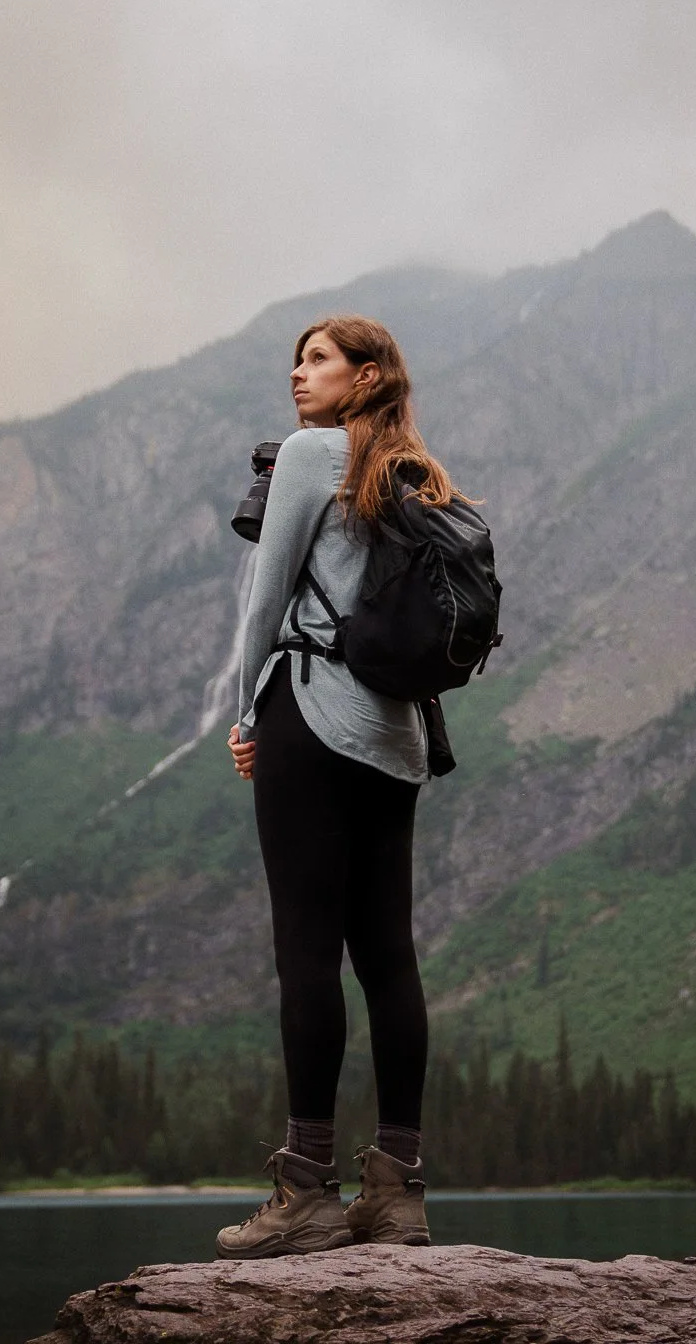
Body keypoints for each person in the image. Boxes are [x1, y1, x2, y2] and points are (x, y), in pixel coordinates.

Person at [214, 314, 469, 1259]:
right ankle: (399, 1194)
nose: (298, 372)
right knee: (390, 960)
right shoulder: (417, 469)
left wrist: (247, 713)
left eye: (319, 358)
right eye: (297, 357)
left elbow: (266, 595)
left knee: (308, 956)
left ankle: (306, 1190)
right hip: (398, 736)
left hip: (312, 719)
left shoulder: (312, 456)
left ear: (366, 375)